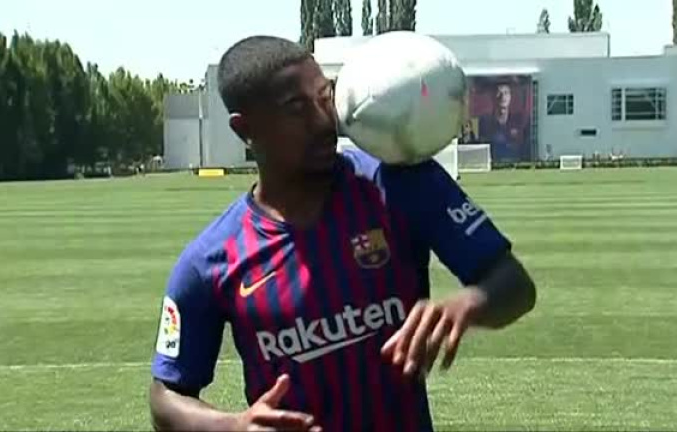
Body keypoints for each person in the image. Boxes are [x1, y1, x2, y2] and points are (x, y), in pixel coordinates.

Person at [148, 35, 537, 432]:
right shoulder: (210, 260)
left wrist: (468, 303)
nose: (323, 120)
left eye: (324, 97)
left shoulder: (398, 183)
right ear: (245, 129)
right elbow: (166, 397)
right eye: (296, 107)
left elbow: (515, 283)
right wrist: (234, 426)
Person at [478, 82, 531, 162]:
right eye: (499, 93)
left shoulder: (519, 121)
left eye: (506, 93)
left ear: (510, 97)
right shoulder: (485, 122)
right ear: (493, 97)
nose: (502, 97)